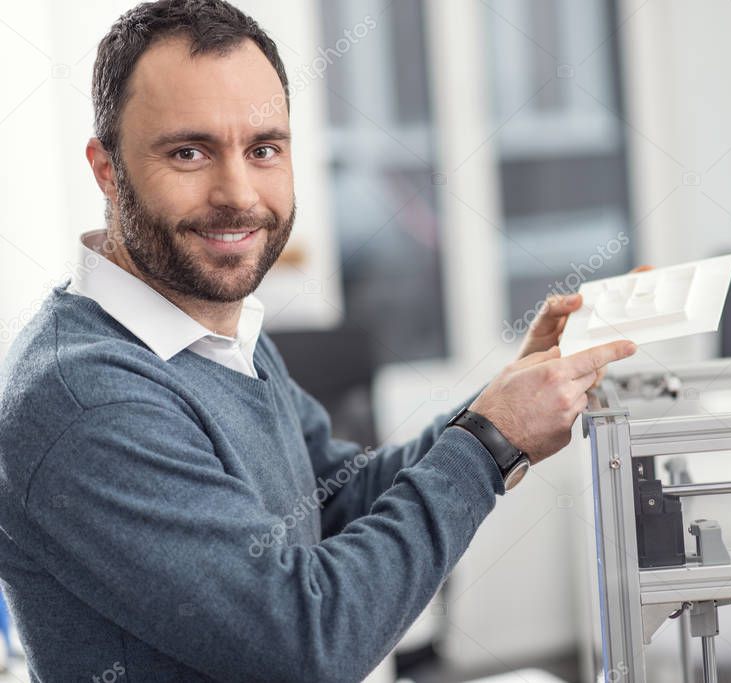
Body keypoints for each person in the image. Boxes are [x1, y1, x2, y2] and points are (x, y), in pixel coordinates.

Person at [0, 1, 636, 681]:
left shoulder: (215, 324)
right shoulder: (88, 400)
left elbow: (336, 501)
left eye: (263, 149)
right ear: (106, 168)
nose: (238, 193)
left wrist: (502, 405)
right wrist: (490, 442)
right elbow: (307, 641)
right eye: (189, 152)